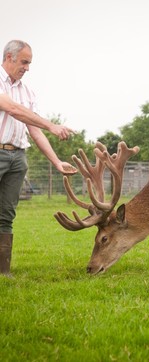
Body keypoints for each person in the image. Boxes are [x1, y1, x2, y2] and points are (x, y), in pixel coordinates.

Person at [0, 40, 77, 276]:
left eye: (29, 63)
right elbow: (12, 109)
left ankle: (3, 271)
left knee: (6, 214)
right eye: (24, 62)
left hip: (18, 157)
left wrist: (56, 162)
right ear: (9, 58)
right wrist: (52, 125)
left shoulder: (28, 91)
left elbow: (34, 130)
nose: (27, 68)